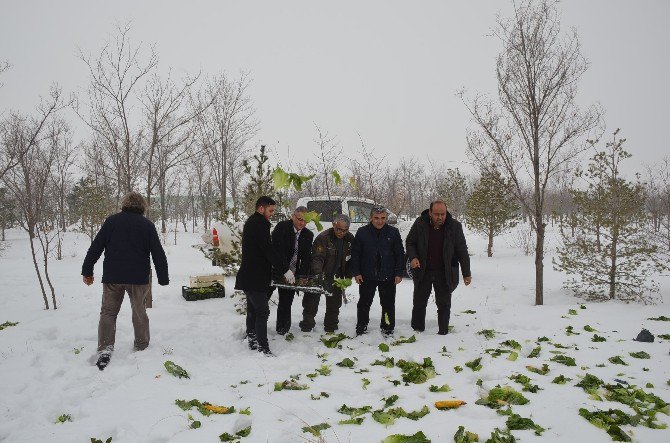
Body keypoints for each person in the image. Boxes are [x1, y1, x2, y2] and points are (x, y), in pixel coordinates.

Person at [81, 191, 169, 370]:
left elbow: (96, 246)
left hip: (113, 277)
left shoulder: (112, 222)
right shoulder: (147, 225)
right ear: (143, 206)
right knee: (139, 312)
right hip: (138, 278)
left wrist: (87, 270)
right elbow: (158, 253)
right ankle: (142, 345)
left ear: (124, 204)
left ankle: (105, 348)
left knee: (108, 313)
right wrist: (163, 277)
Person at [235, 196, 292, 355]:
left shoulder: (256, 222)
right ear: (261, 208)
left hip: (253, 275)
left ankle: (252, 337)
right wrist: (284, 269)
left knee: (254, 309)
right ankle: (263, 347)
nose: (272, 213)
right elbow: (268, 250)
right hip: (254, 276)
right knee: (262, 311)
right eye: (271, 210)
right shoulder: (258, 224)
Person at [405, 199, 471, 335]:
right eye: (436, 214)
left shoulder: (455, 226)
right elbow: (410, 242)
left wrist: (466, 273)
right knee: (419, 302)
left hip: (445, 271)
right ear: (430, 213)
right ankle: (417, 330)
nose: (440, 217)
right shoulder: (420, 223)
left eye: (443, 214)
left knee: (444, 304)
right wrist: (413, 257)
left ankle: (443, 332)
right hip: (423, 270)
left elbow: (462, 250)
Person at [351, 206, 405, 336]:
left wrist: (398, 273)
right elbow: (356, 254)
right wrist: (357, 272)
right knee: (364, 303)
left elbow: (399, 254)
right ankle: (361, 326)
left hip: (388, 275)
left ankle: (387, 328)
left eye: (382, 218)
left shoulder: (393, 232)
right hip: (367, 275)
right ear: (371, 218)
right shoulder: (362, 232)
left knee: (388, 304)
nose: (379, 221)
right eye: (376, 218)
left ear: (386, 218)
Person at [299, 214, 354, 333]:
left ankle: (331, 327)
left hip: (336, 276)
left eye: (344, 230)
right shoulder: (323, 238)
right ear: (334, 225)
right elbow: (317, 258)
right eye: (339, 229)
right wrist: (319, 274)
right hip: (318, 274)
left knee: (334, 304)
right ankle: (307, 327)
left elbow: (350, 260)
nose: (341, 232)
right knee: (311, 302)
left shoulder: (349, 239)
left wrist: (348, 276)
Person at [271, 206, 314, 335]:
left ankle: (282, 330)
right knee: (262, 301)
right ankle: (254, 329)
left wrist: (302, 275)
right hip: (273, 270)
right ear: (293, 216)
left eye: (305, 221)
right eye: (299, 219)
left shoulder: (308, 235)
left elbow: (306, 258)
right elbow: (278, 251)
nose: (302, 223)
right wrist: (285, 269)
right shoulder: (282, 227)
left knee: (286, 302)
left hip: (291, 274)